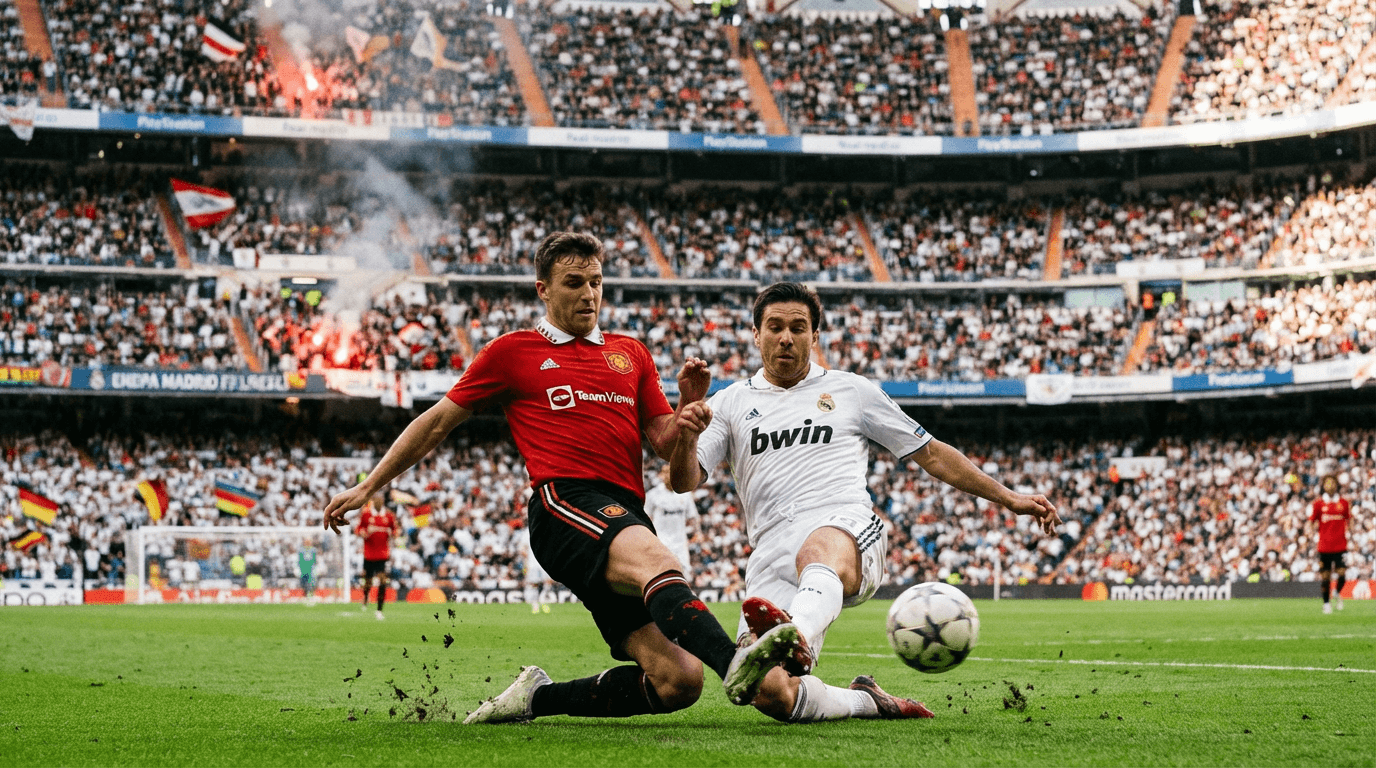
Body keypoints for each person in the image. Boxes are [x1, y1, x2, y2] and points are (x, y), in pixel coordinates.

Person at [323, 232, 801, 724]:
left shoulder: (630, 354)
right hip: (564, 503)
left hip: (624, 514)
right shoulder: (512, 352)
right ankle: (734, 664)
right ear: (543, 290)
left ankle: (536, 698)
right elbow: (436, 421)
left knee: (677, 681)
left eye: (596, 282)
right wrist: (369, 486)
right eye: (574, 282)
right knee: (658, 561)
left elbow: (664, 443)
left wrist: (686, 412)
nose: (589, 293)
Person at [670, 281, 1063, 723]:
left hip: (846, 529)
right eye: (775, 327)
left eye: (798, 328)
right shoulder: (729, 402)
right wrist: (686, 434)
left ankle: (795, 633)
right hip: (771, 552)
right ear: (756, 334)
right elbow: (683, 481)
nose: (786, 338)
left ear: (815, 335)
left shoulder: (850, 390)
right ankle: (866, 701)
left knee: (816, 549)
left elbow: (931, 454)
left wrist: (1009, 497)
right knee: (771, 693)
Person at [1310, 474, 1352, 614]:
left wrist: (1351, 533)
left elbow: (1349, 519)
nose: (1330, 485)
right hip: (1324, 546)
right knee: (1325, 576)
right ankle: (1326, 603)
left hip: (1340, 545)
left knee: (1342, 574)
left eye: (1332, 482)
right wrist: (1312, 534)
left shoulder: (1343, 503)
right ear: (1323, 486)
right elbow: (1312, 521)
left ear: (1336, 485)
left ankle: (1337, 591)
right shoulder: (1318, 504)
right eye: (1327, 483)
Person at [644, 465, 698, 571]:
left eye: (672, 473)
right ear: (662, 475)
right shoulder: (653, 494)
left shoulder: (686, 494)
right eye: (667, 473)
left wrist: (696, 532)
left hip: (680, 543)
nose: (669, 476)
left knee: (684, 572)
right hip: (660, 541)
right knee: (661, 571)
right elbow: (646, 518)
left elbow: (692, 517)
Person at [355, 494, 399, 620]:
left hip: (382, 554)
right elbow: (358, 529)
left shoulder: (389, 515)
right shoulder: (366, 514)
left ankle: (379, 609)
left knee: (383, 580)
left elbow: (395, 530)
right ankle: (365, 596)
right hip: (369, 554)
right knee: (368, 581)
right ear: (373, 502)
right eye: (376, 500)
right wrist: (364, 533)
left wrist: (393, 534)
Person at [299, 543, 318, 607]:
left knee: (312, 583)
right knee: (304, 584)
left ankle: (312, 596)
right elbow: (300, 560)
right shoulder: (301, 550)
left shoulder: (313, 550)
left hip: (311, 570)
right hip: (304, 570)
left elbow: (315, 560)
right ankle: (306, 596)